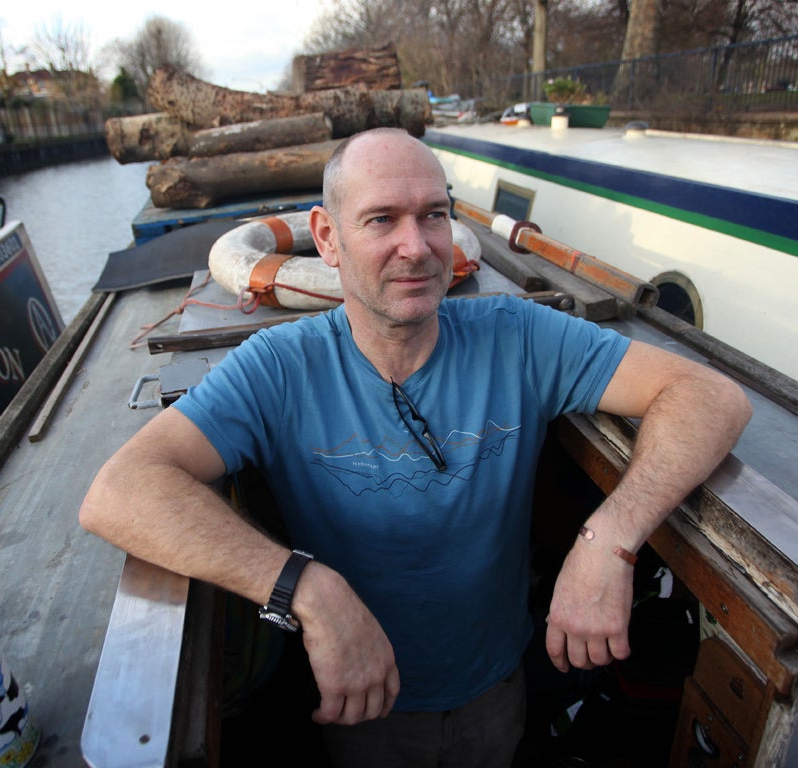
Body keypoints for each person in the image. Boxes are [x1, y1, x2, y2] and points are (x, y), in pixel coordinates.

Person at [79, 127, 752, 767]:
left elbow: (711, 397)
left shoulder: (515, 335)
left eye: (434, 215)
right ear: (327, 238)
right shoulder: (279, 368)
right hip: (365, 707)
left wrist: (611, 537)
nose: (417, 246)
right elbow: (120, 490)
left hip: (499, 689)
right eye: (381, 220)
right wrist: (305, 589)